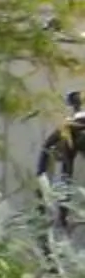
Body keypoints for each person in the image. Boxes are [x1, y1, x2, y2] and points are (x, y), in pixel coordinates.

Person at [40, 90, 85, 233]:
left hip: (72, 136)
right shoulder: (68, 128)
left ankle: (62, 217)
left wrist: (40, 170)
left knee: (66, 176)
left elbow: (47, 145)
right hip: (72, 136)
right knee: (66, 176)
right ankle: (62, 217)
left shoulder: (68, 128)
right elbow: (48, 145)